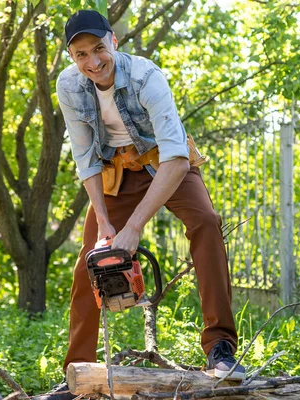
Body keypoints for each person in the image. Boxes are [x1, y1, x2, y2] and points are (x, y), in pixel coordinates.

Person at [45, 9, 246, 398]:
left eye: (98, 49)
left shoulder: (146, 77)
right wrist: (105, 225)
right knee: (90, 254)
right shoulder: (69, 86)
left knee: (206, 221)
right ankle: (77, 372)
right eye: (81, 54)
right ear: (72, 57)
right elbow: (85, 158)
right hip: (115, 173)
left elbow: (176, 156)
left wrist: (134, 228)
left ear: (113, 42)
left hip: (164, 165)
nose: (93, 61)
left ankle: (220, 348)